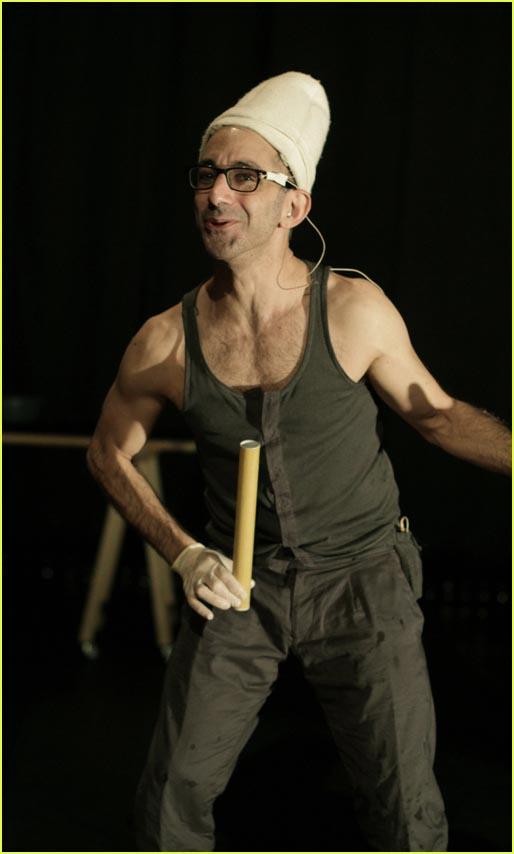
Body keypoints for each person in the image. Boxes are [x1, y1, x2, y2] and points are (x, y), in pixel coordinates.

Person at [87, 72, 511, 852]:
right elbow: (107, 452)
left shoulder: (351, 310)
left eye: (244, 176)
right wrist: (183, 553)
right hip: (239, 580)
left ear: (294, 206)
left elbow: (438, 417)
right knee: (172, 793)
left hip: (363, 578)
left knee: (402, 802)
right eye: (208, 174)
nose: (217, 193)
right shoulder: (165, 340)